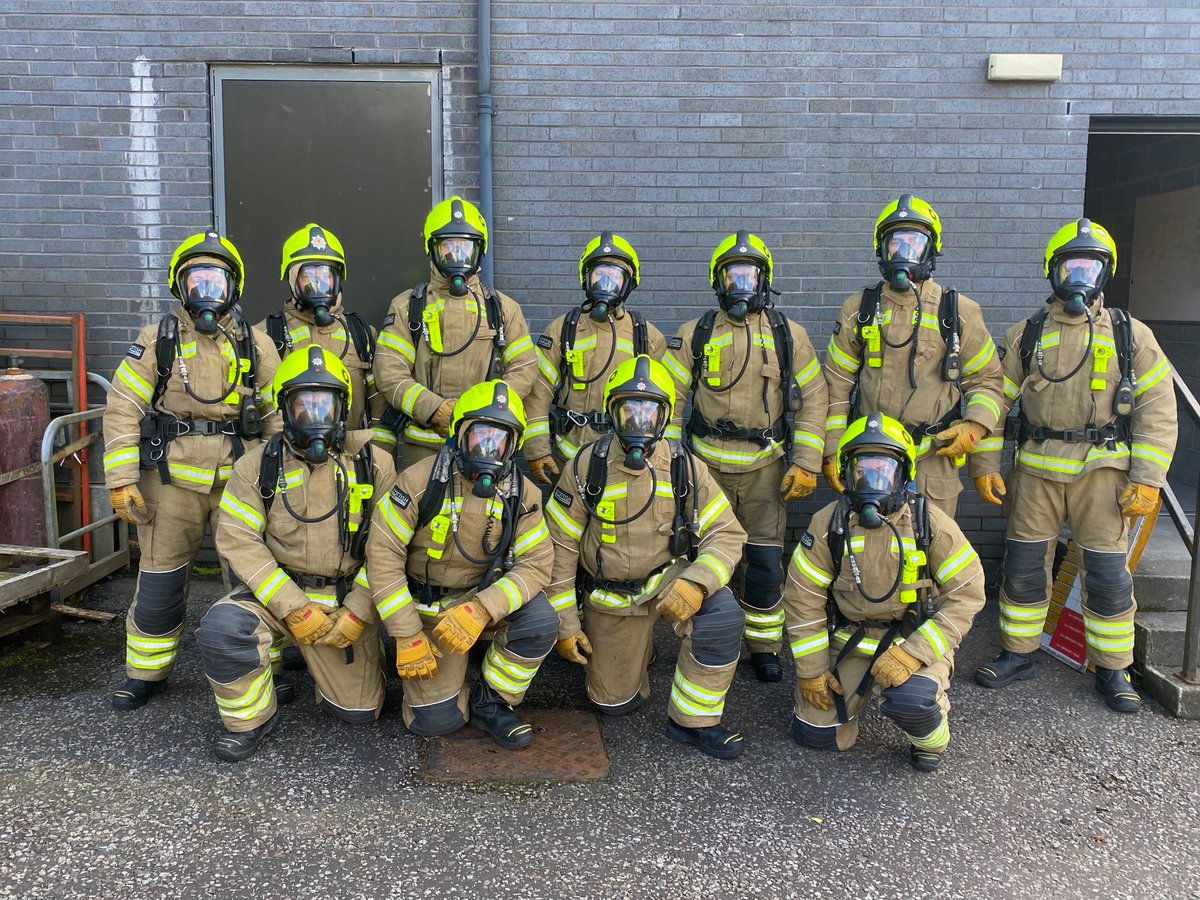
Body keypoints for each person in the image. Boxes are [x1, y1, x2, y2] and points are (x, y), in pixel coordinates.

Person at [972, 218, 1177, 713]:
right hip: (1035, 473)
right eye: (1071, 266)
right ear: (1053, 271)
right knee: (1023, 568)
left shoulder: (1131, 335)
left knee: (1106, 574)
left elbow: (1158, 410)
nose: (1079, 277)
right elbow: (993, 400)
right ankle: (1017, 652)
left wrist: (1148, 480)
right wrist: (985, 463)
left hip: (1102, 477)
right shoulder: (1027, 334)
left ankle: (1113, 668)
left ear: (1105, 273)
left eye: (1090, 266)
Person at [104, 231, 281, 711]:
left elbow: (277, 418)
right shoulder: (156, 340)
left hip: (239, 482)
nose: (207, 290)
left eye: (216, 280)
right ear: (179, 286)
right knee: (160, 579)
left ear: (233, 287)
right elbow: (122, 408)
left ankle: (265, 667)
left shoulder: (256, 344)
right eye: (197, 279)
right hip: (171, 482)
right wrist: (121, 478)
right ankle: (146, 673)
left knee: (250, 576)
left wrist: (275, 480)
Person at [546, 355, 749, 759]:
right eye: (630, 410)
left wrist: (698, 582)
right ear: (612, 413)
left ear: (664, 417)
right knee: (613, 704)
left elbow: (726, 533)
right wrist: (565, 625)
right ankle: (637, 650)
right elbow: (559, 548)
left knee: (722, 615)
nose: (639, 422)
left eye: (649, 411)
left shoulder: (684, 466)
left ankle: (693, 721)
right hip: (611, 596)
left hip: (667, 582)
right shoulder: (586, 467)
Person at [194, 346, 392, 760]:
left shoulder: (375, 464)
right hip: (281, 594)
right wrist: (293, 607)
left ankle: (344, 662)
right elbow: (238, 540)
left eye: (325, 404)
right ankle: (251, 720)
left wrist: (359, 611)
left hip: (344, 601)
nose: (315, 415)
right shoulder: (255, 467)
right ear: (286, 409)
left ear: (342, 408)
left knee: (358, 713)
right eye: (304, 404)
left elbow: (387, 549)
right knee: (224, 628)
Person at [661, 231, 827, 683]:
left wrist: (806, 461)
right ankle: (705, 639)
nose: (741, 285)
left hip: (764, 471)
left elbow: (814, 398)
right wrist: (673, 460)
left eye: (750, 276)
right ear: (718, 281)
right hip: (705, 470)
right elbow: (669, 397)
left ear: (764, 280)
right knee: (706, 557)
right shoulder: (694, 335)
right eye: (732, 276)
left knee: (765, 563)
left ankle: (764, 646)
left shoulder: (788, 336)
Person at [782, 412, 986, 772]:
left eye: (884, 469)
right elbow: (802, 598)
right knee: (815, 734)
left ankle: (931, 736)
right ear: (847, 474)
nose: (873, 481)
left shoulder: (928, 523)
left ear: (903, 473)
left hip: (911, 641)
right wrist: (811, 670)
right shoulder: (829, 524)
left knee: (912, 701)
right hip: (850, 640)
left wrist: (914, 653)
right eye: (863, 470)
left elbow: (967, 593)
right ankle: (852, 702)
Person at [365, 379, 557, 749]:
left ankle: (492, 701)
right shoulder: (419, 482)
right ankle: (428, 672)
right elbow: (383, 557)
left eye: (500, 439)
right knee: (435, 723)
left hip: (477, 601)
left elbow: (535, 563)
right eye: (480, 435)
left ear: (514, 445)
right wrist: (405, 633)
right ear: (459, 434)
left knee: (540, 619)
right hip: (426, 608)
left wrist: (484, 607)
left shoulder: (523, 493)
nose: (489, 448)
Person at [822, 195, 1004, 515]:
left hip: (933, 459)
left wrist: (976, 429)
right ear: (881, 249)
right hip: (871, 458)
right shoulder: (859, 309)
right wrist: (832, 449)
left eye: (914, 243)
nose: (904, 253)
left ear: (931, 249)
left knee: (933, 541)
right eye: (895, 243)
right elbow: (836, 385)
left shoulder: (957, 311)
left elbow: (986, 381)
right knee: (871, 540)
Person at [373, 197, 538, 471]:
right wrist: (432, 409)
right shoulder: (407, 307)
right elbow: (389, 373)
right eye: (448, 246)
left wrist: (483, 411)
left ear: (479, 250)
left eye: (465, 246)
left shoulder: (502, 309)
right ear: (432, 249)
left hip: (485, 444)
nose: (457, 256)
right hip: (423, 448)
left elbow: (524, 368)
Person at [524, 232, 666, 483]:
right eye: (600, 275)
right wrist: (537, 449)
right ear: (586, 278)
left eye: (615, 277)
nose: (606, 284)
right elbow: (539, 390)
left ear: (629, 283)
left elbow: (663, 406)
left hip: (622, 461)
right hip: (568, 458)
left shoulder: (647, 338)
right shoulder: (562, 330)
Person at [260, 222, 385, 442]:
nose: (318, 284)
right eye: (308, 276)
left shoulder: (361, 333)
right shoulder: (266, 334)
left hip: (350, 455)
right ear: (292, 279)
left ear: (337, 279)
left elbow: (379, 405)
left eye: (326, 275)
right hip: (290, 454)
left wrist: (375, 452)